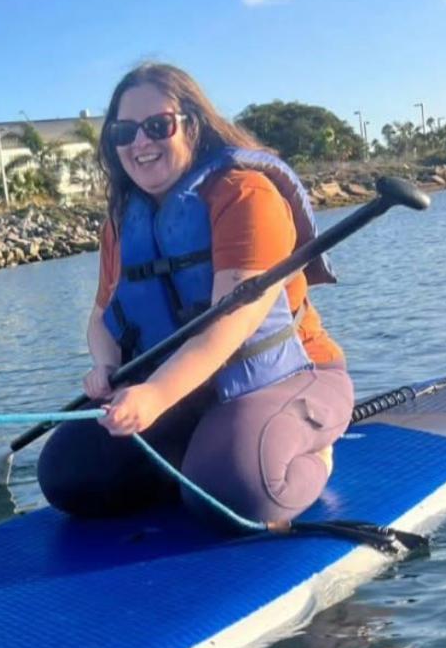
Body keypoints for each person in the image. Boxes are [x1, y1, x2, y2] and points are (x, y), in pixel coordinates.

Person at [38, 63, 354, 526]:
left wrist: (154, 397)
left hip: (286, 375)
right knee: (68, 476)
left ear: (192, 123)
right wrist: (105, 365)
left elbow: (231, 325)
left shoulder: (245, 193)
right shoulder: (122, 222)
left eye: (157, 126)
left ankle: (316, 451)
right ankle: (202, 453)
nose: (139, 142)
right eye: (124, 132)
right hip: (183, 393)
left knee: (233, 494)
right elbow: (102, 316)